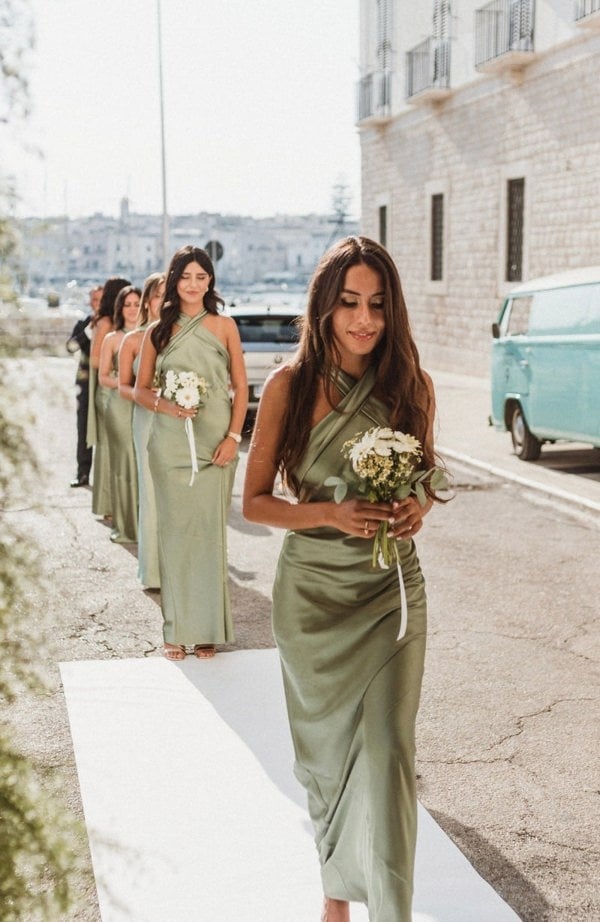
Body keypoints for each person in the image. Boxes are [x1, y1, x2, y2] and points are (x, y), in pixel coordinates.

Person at [242, 236, 446, 922]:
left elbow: (428, 474)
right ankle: (336, 892)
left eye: (378, 305)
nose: (364, 320)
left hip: (390, 595)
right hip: (312, 599)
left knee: (387, 754)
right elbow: (255, 502)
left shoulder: (410, 384)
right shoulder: (288, 387)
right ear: (324, 307)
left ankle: (392, 912)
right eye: (350, 303)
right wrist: (329, 512)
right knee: (328, 760)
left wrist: (416, 506)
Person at [134, 245, 247, 660]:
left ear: (210, 281)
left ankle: (206, 630)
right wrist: (170, 407)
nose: (193, 284)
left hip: (216, 442)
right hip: (170, 444)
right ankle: (176, 630)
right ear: (174, 281)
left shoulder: (225, 325)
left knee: (209, 536)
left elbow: (241, 387)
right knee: (176, 536)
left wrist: (233, 437)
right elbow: (141, 390)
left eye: (201, 277)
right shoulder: (157, 331)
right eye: (185, 277)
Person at [119, 272, 165, 587]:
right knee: (150, 492)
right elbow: (124, 386)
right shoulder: (133, 340)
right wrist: (150, 396)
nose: (165, 302)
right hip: (147, 419)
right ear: (147, 301)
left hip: (180, 420)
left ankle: (179, 567)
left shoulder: (181, 337)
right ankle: (153, 572)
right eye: (159, 296)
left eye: (168, 296)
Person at [98, 285, 141, 544]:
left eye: (137, 303)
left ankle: (145, 524)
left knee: (143, 461)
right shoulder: (112, 338)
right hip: (120, 407)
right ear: (120, 308)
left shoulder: (150, 335)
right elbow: (103, 377)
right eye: (128, 304)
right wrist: (128, 383)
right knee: (125, 461)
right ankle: (126, 525)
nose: (133, 309)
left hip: (145, 406)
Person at [87, 277, 131, 519]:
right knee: (107, 449)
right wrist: (121, 372)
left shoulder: (123, 323)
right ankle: (108, 505)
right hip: (108, 392)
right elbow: (95, 360)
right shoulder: (105, 323)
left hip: (123, 393)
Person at [66, 284, 103, 487]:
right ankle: (82, 473)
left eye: (102, 299)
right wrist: (88, 332)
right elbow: (70, 347)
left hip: (106, 384)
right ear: (90, 302)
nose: (98, 304)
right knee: (83, 427)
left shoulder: (114, 323)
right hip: (86, 383)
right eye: (95, 300)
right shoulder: (83, 324)